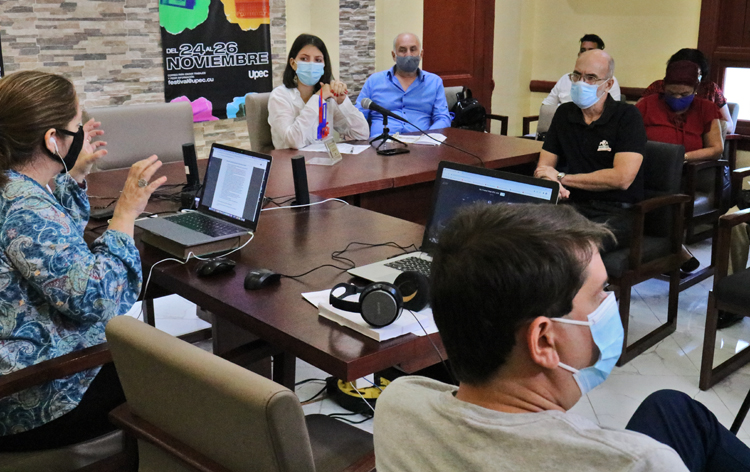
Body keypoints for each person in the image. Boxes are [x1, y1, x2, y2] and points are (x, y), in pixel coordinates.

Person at [374, 202, 750, 472]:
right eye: (601, 292)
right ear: (544, 341)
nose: (611, 303)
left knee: (671, 408)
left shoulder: (398, 406)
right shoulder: (640, 462)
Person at [0, 70, 165, 450]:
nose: (81, 133)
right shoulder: (25, 207)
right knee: (179, 378)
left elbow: (54, 250)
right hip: (37, 397)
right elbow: (97, 298)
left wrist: (73, 173)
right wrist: (126, 213)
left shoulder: (14, 185)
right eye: (76, 126)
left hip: (30, 362)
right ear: (52, 139)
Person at [534, 49, 646, 251]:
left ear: (608, 84)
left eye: (591, 78)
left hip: (615, 211)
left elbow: (621, 178)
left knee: (573, 248)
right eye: (576, 75)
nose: (581, 82)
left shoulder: (627, 116)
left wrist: (561, 178)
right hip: (569, 205)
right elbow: (544, 167)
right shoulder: (564, 113)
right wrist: (549, 180)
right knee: (522, 236)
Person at [636, 60, 723, 275]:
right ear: (663, 87)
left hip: (688, 174)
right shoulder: (647, 105)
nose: (677, 98)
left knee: (665, 194)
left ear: (695, 90)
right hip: (648, 170)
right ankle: (674, 251)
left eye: (684, 94)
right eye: (671, 93)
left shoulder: (706, 108)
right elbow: (630, 138)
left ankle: (669, 252)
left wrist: (681, 158)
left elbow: (716, 149)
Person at [268, 33, 369, 150]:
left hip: (324, 160)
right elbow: (294, 141)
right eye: (304, 59)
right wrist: (317, 99)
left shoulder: (328, 97)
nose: (311, 64)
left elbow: (362, 134)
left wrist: (343, 102)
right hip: (291, 160)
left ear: (324, 65)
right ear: (293, 63)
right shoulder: (280, 96)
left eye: (318, 60)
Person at [356, 32, 451, 138]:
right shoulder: (374, 81)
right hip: (381, 142)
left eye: (413, 49)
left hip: (419, 143)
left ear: (421, 54)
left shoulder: (434, 82)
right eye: (402, 50)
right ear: (394, 55)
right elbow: (358, 117)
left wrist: (428, 138)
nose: (408, 55)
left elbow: (442, 118)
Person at [640, 48, 734, 134]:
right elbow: (637, 114)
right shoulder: (658, 86)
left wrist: (710, 123)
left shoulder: (710, 89)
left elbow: (729, 126)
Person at [542, 34, 622, 108]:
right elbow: (546, 107)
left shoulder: (606, 81)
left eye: (591, 51)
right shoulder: (566, 79)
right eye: (583, 50)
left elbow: (613, 110)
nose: (586, 54)